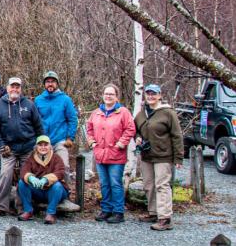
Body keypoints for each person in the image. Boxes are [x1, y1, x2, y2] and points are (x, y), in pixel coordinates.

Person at [0, 77, 44, 217]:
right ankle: (0, 206)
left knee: (25, 177)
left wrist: (40, 145)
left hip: (27, 146)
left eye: (17, 87)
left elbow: (38, 126)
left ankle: (23, 207)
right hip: (8, 148)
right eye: (12, 86)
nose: (15, 89)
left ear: (21, 88)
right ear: (7, 88)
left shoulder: (29, 104)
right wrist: (1, 145)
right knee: (5, 174)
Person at [134, 84, 184, 231]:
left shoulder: (168, 113)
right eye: (148, 94)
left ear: (160, 95)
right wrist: (137, 138)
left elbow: (177, 135)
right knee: (148, 185)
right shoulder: (141, 114)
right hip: (147, 155)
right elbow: (135, 130)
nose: (150, 96)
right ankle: (153, 212)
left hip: (163, 155)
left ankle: (165, 217)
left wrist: (178, 157)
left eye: (153, 94)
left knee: (162, 185)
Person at [86, 83, 136, 224]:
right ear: (102, 95)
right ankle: (106, 210)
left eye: (111, 94)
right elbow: (89, 129)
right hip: (100, 154)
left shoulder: (123, 112)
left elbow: (130, 129)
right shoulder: (96, 113)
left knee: (115, 183)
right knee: (104, 184)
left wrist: (121, 142)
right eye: (106, 94)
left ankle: (118, 212)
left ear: (116, 96)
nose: (108, 96)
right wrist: (91, 142)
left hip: (116, 154)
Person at [16, 135, 69, 224]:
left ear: (50, 146)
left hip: (54, 191)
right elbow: (24, 171)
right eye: (40, 145)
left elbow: (60, 172)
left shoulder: (56, 158)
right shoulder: (31, 158)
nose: (43, 147)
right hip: (38, 190)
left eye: (46, 145)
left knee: (57, 185)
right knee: (22, 183)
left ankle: (51, 213)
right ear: (36, 147)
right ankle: (28, 211)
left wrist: (46, 179)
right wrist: (30, 177)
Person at [34, 71, 78, 175]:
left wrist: (70, 138)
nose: (50, 84)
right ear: (44, 84)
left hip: (60, 140)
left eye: (53, 81)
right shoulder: (38, 100)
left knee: (64, 166)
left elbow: (72, 119)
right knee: (40, 169)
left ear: (57, 83)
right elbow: (34, 121)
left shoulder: (65, 99)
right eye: (48, 81)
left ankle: (65, 190)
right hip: (43, 140)